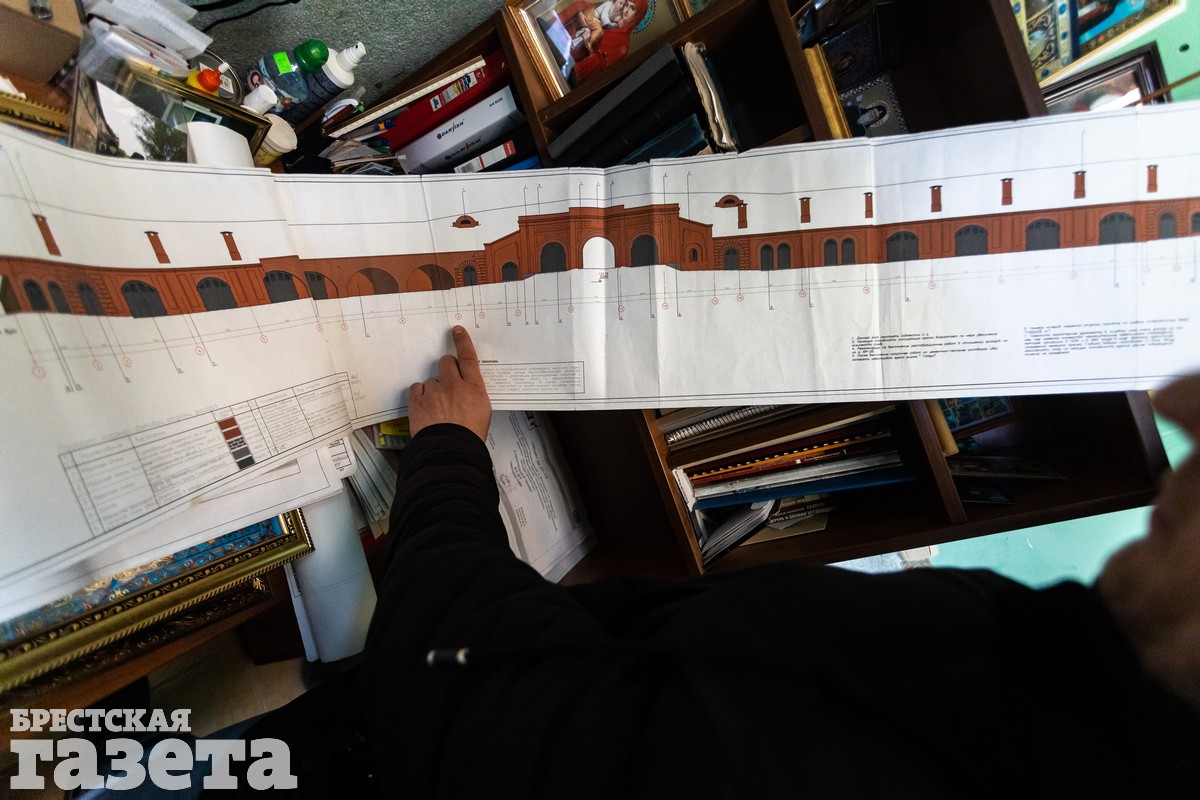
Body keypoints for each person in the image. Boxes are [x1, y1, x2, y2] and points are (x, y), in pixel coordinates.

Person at [213, 326, 1200, 797]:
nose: (1174, 408)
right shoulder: (1039, 661)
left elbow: (469, 698)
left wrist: (447, 458)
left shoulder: (939, 742)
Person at [557, 0, 649, 85]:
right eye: (626, 5)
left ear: (636, 16)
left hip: (570, 68)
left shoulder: (622, 44)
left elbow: (595, 64)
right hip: (566, 47)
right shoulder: (613, 16)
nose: (626, 10)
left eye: (632, 8)